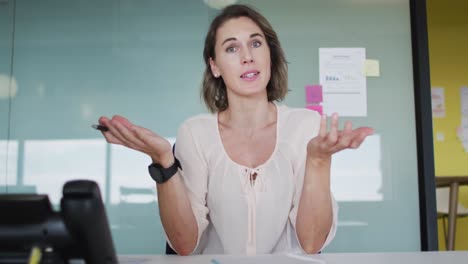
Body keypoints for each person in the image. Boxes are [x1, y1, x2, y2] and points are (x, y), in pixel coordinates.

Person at [97, 4, 373, 256]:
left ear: (270, 55)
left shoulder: (306, 126)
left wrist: (318, 160)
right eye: (232, 48)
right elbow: (184, 244)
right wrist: (163, 162)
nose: (247, 57)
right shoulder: (194, 133)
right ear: (214, 66)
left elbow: (311, 243)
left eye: (256, 43)